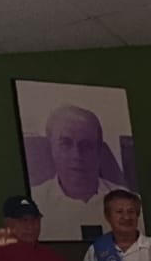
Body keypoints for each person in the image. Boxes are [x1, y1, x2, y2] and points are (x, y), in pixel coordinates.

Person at [32, 103, 126, 241]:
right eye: (65, 144)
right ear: (51, 149)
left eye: (86, 145)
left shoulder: (128, 202)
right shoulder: (34, 203)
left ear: (99, 151)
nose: (77, 155)